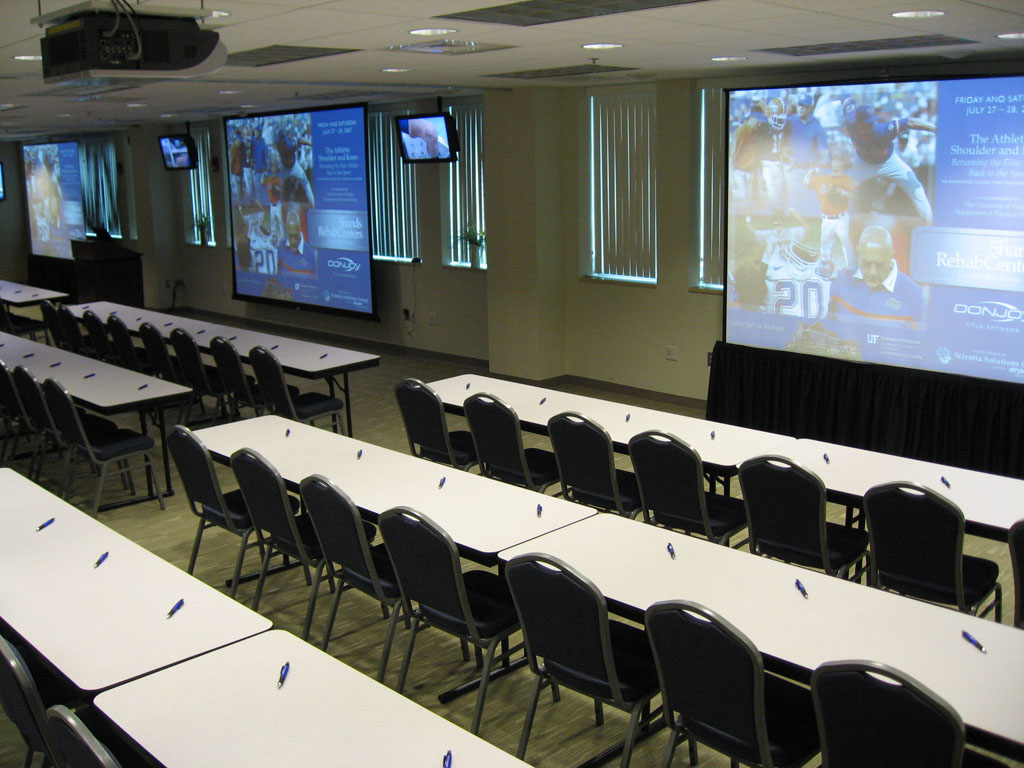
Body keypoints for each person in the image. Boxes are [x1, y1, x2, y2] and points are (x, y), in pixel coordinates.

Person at [842, 98, 936, 223]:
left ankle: (930, 223)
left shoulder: (882, 129)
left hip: (888, 163)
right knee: (841, 188)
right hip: (863, 163)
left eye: (871, 122)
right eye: (867, 123)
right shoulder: (850, 123)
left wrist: (934, 128)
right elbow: (847, 100)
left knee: (916, 187)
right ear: (858, 122)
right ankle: (837, 222)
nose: (870, 125)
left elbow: (910, 122)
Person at [829, 225, 923, 326]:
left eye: (879, 264)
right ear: (859, 253)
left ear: (891, 255)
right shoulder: (839, 281)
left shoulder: (913, 294)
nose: (872, 272)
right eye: (866, 263)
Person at [804, 149, 856, 269]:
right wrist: (811, 171)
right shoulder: (823, 179)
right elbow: (806, 182)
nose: (836, 163)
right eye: (834, 161)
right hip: (826, 219)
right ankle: (824, 269)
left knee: (846, 244)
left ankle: (852, 269)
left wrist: (844, 192)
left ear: (843, 164)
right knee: (824, 247)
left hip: (841, 218)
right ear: (831, 162)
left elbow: (859, 196)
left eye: (839, 161)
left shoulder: (847, 180)